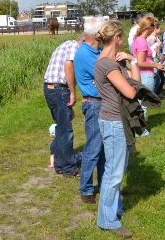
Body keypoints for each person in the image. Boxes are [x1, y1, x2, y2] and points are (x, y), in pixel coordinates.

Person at [95, 21, 140, 239]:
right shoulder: (106, 64)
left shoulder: (115, 62)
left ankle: (115, 208)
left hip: (118, 121)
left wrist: (133, 62)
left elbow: (137, 85)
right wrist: (128, 65)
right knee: (113, 173)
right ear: (118, 38)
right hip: (113, 122)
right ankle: (107, 220)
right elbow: (131, 93)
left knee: (118, 170)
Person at [74, 16, 106, 204]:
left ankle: (103, 185)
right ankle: (86, 189)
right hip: (94, 103)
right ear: (97, 34)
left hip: (99, 102)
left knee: (102, 149)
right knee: (93, 148)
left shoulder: (96, 51)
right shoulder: (86, 54)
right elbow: (107, 75)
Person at [43, 37, 82, 178]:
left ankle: (59, 164)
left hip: (49, 88)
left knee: (61, 126)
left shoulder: (65, 44)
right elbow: (68, 66)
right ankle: (69, 168)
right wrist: (72, 92)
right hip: (60, 89)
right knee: (66, 129)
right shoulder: (74, 47)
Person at [132, 16, 164, 136]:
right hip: (145, 75)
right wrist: (156, 65)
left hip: (141, 73)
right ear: (149, 27)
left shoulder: (138, 40)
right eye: (153, 26)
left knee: (139, 102)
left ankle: (137, 127)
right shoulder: (142, 42)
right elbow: (141, 61)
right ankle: (140, 130)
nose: (154, 29)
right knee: (143, 103)